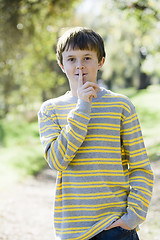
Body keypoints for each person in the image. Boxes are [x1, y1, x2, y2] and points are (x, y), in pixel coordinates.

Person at [38, 27, 154, 240]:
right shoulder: (50, 109)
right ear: (62, 65)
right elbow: (57, 161)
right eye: (71, 59)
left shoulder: (121, 105)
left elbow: (140, 167)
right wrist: (82, 108)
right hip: (73, 230)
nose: (80, 66)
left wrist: (132, 218)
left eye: (87, 57)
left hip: (116, 226)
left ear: (100, 62)